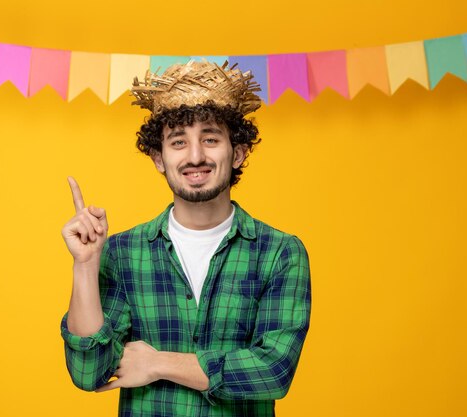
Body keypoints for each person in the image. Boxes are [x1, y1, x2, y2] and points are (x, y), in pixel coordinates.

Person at [60, 60, 311, 417]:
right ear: (159, 158)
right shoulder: (123, 253)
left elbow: (273, 371)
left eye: (210, 139)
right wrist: (85, 265)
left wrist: (158, 363)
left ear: (237, 153)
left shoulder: (280, 253)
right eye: (178, 142)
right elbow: (88, 373)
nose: (195, 156)